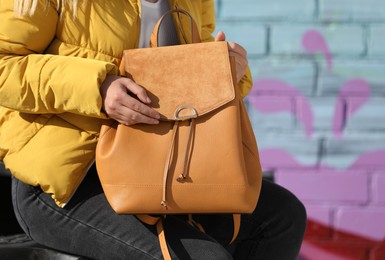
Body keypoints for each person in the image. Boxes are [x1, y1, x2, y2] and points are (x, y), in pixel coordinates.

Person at [0, 0, 307, 259]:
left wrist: (228, 70)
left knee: (282, 216)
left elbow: (190, 75)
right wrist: (98, 88)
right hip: (66, 183)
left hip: (158, 168)